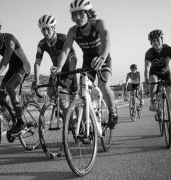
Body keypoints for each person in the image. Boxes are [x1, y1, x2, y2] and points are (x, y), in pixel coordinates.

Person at [54, 0, 118, 129]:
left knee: (103, 85)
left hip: (103, 59)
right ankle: (86, 125)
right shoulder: (73, 31)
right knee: (83, 93)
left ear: (88, 13)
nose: (77, 18)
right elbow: (65, 50)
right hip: (88, 62)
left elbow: (106, 39)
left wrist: (102, 57)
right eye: (74, 15)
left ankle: (113, 111)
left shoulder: (98, 24)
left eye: (81, 14)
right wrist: (59, 67)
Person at [33, 14, 78, 112]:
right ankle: (66, 114)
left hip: (70, 70)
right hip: (57, 70)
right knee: (50, 92)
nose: (45, 32)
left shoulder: (63, 39)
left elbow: (74, 59)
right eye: (42, 29)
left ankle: (78, 122)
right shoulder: (42, 43)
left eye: (48, 29)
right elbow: (37, 63)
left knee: (74, 102)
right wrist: (36, 81)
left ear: (54, 28)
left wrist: (70, 78)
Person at [144, 29, 171, 134]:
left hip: (166, 73)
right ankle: (152, 101)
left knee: (170, 97)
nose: (156, 43)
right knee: (153, 81)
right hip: (154, 73)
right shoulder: (149, 52)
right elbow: (147, 67)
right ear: (151, 43)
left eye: (157, 40)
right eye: (153, 41)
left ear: (162, 39)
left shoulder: (169, 49)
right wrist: (145, 78)